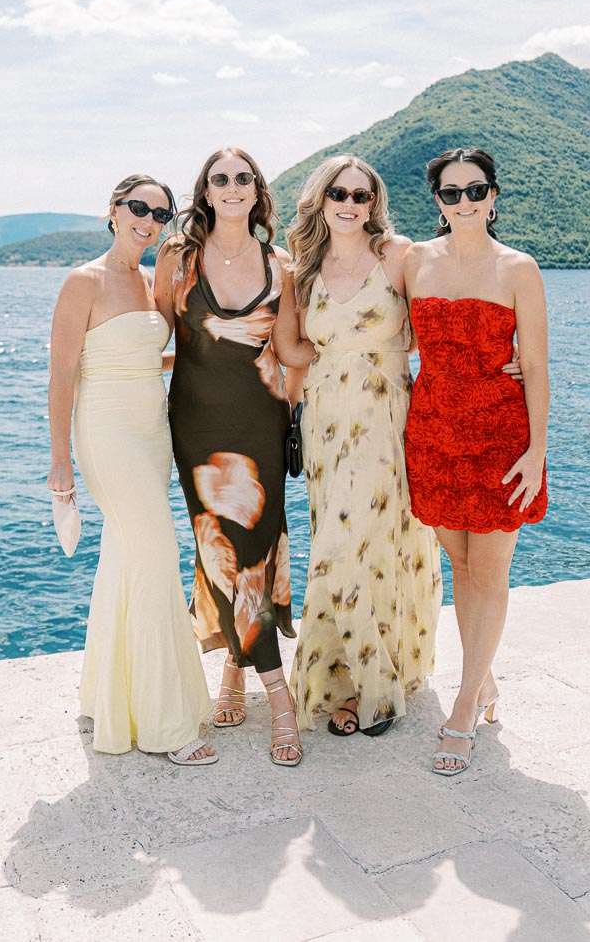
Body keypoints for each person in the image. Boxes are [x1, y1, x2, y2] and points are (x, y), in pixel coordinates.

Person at [47, 174, 216, 766]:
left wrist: (233, 349)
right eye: (137, 207)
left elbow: (153, 354)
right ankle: (166, 726)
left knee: (125, 558)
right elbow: (63, 376)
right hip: (107, 433)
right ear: (113, 210)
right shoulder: (83, 280)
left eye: (160, 213)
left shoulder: (149, 282)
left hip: (152, 434)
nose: (148, 220)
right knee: (156, 555)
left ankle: (108, 698)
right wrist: (60, 463)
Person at [279, 155, 443, 738]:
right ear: (320, 201)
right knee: (346, 540)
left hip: (386, 414)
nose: (349, 204)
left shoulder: (400, 256)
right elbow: (292, 348)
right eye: (338, 194)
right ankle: (347, 680)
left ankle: (378, 686)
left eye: (361, 195)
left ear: (374, 203)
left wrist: (509, 363)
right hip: (325, 416)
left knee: (359, 546)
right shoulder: (302, 267)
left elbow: (437, 333)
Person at [154, 148, 303, 767]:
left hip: (261, 428)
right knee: (219, 551)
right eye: (221, 179)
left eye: (244, 178)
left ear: (257, 192)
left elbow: (293, 350)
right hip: (196, 429)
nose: (233, 187)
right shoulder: (176, 259)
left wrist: (372, 344)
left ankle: (243, 677)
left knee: (252, 553)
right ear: (206, 193)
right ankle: (275, 691)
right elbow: (156, 338)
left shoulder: (283, 266)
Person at [404, 147, 549, 777]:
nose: (464, 201)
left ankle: (464, 705)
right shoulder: (413, 261)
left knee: (489, 570)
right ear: (437, 201)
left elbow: (538, 365)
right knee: (457, 562)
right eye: (451, 192)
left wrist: (537, 453)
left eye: (476, 190)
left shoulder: (519, 269)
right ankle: (481, 678)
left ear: (494, 197)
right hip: (432, 428)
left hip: (499, 434)